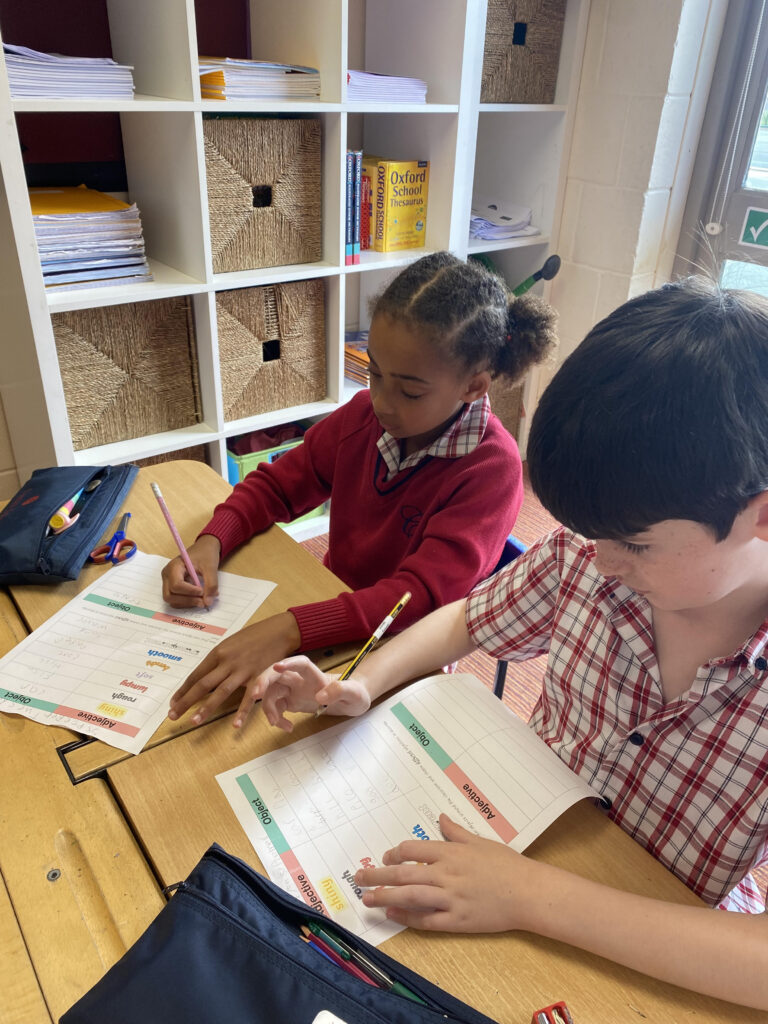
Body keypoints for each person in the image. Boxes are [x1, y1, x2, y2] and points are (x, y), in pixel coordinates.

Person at [253, 277, 768, 1011]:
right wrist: (365, 683)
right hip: (527, 847)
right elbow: (466, 619)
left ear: (760, 516)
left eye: (633, 542)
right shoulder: (588, 563)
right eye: (592, 535)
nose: (603, 562)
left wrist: (534, 897)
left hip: (663, 951)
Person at [164, 251, 557, 729]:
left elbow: (416, 599)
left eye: (410, 392)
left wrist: (290, 629)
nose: (381, 401)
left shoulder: (491, 471)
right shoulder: (362, 418)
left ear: (473, 387)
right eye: (373, 373)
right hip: (331, 609)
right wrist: (212, 540)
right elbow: (278, 485)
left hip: (402, 657)